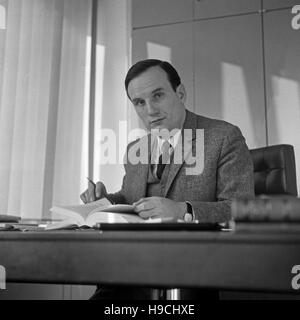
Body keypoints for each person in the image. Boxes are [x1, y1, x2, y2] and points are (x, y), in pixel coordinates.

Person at [81, 59, 255, 299]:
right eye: (139, 102)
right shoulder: (136, 149)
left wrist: (183, 210)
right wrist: (103, 201)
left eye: (158, 95)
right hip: (128, 266)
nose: (150, 110)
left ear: (180, 93)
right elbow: (129, 199)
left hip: (194, 269)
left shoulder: (223, 137)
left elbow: (242, 210)